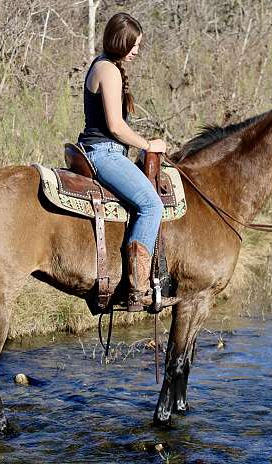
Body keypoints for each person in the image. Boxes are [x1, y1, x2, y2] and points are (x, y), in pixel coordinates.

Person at [77, 12, 165, 312]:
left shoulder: (102, 64)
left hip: (100, 149)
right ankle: (136, 289)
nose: (137, 50)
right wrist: (148, 145)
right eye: (133, 44)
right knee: (152, 205)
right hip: (104, 153)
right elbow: (115, 126)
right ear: (120, 40)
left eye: (138, 44)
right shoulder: (109, 71)